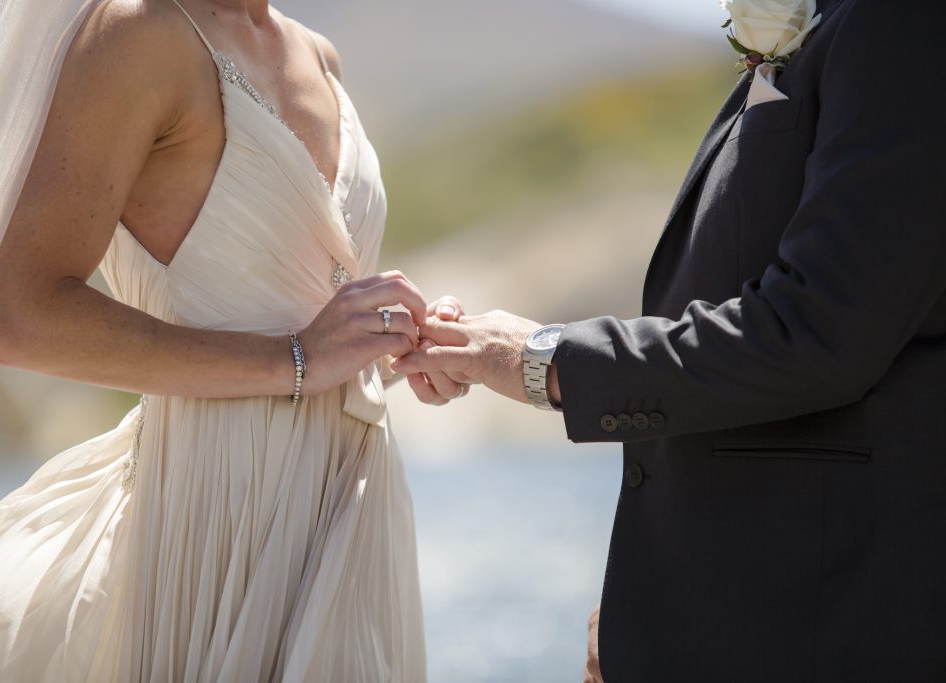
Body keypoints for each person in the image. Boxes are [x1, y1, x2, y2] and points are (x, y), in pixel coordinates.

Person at [395, 0, 946, 679]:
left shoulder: (902, 20)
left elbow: (820, 329)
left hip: (823, 628)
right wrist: (644, 604)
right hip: (730, 613)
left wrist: (546, 361)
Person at [0, 0, 467, 678]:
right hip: (211, 519)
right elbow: (20, 318)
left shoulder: (320, 55)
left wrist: (398, 343)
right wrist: (292, 359)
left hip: (350, 505)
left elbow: (296, 312)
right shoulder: (137, 39)